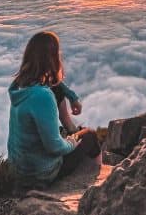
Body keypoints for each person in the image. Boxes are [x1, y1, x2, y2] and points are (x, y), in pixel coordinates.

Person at [7, 31, 101, 185]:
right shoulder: (43, 96)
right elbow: (55, 148)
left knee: (57, 93)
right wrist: (72, 142)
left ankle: (70, 129)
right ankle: (97, 179)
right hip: (41, 174)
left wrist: (72, 96)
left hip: (18, 170)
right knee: (90, 136)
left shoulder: (19, 86)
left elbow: (54, 84)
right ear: (52, 58)